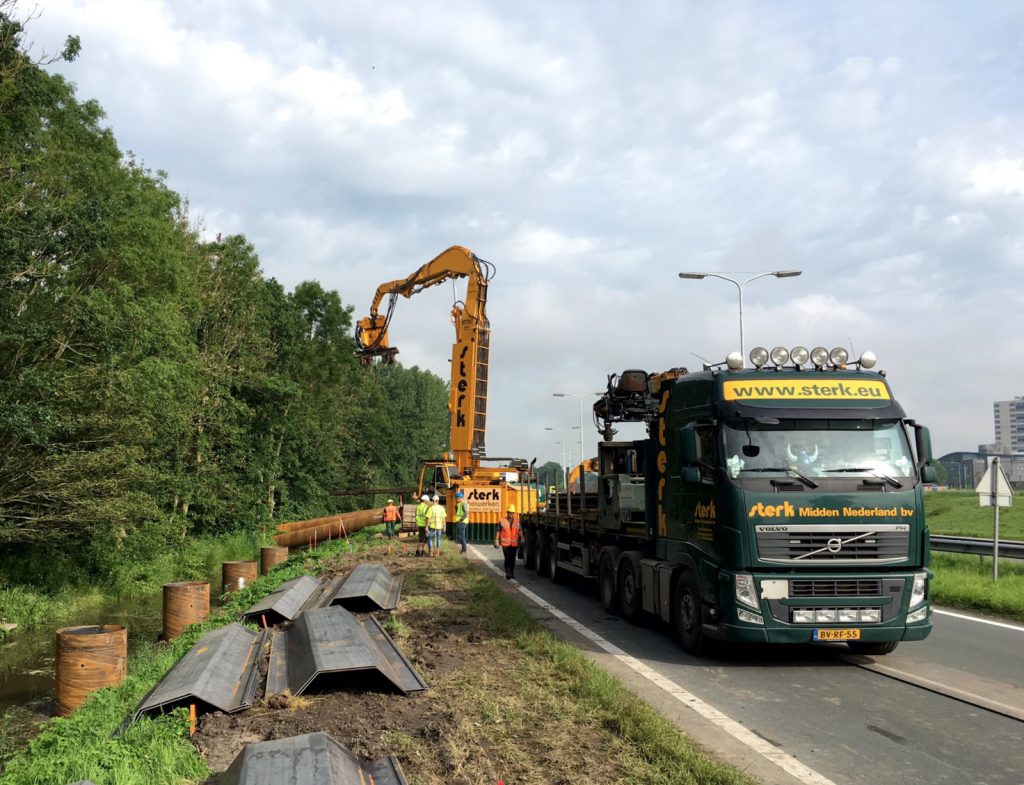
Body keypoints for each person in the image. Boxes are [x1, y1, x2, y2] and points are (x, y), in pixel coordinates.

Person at [494, 503, 521, 580]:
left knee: (513, 559)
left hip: (514, 544)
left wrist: (522, 538)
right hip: (505, 544)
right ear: (507, 512)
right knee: (507, 558)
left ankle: (512, 572)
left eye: (512, 512)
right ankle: (508, 573)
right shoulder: (502, 520)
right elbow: (498, 531)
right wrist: (496, 540)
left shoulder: (517, 521)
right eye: (509, 512)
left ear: (514, 513)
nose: (510, 514)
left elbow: (520, 530)